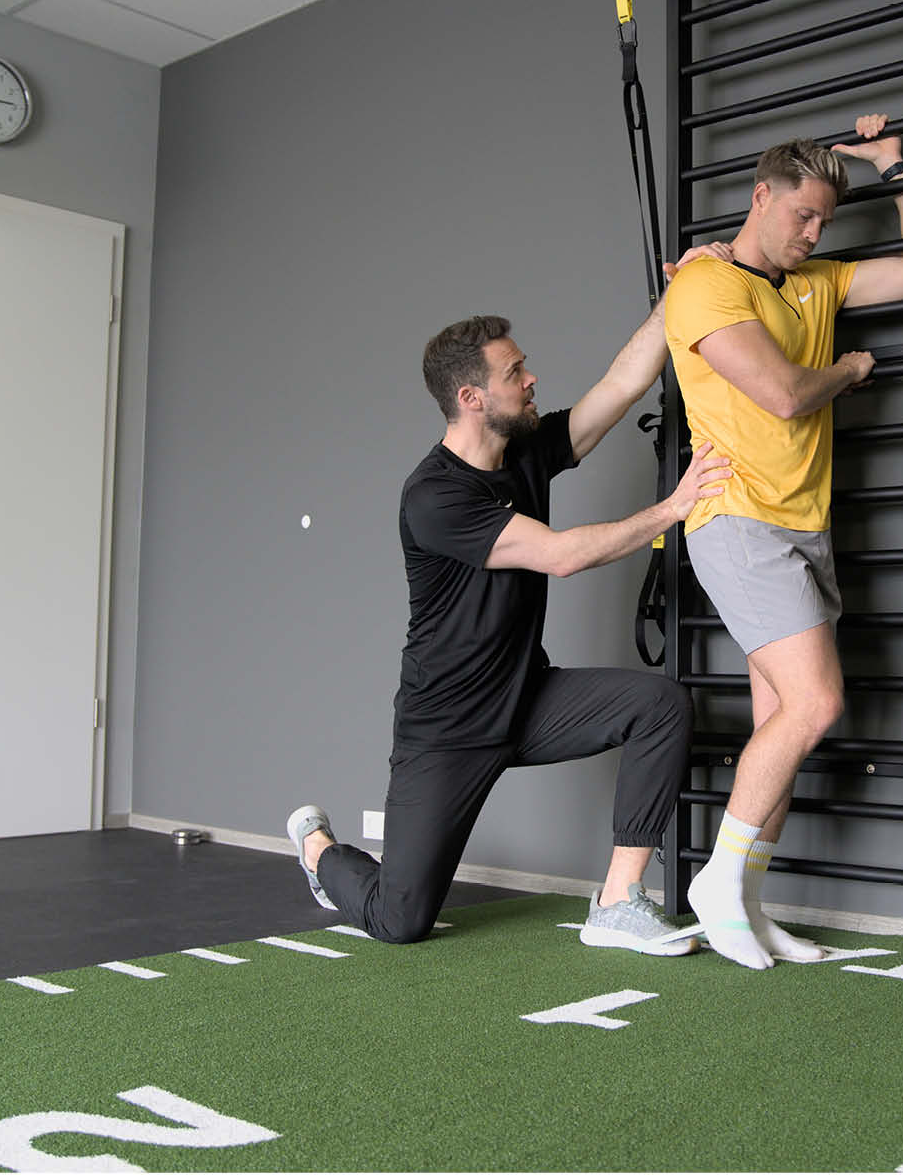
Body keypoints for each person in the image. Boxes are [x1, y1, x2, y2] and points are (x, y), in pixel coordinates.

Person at [285, 251, 733, 954]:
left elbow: (621, 384)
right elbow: (561, 555)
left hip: (527, 700)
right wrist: (671, 509)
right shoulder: (434, 495)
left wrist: (675, 299)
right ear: (471, 398)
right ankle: (318, 851)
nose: (531, 379)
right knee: (401, 921)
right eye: (514, 372)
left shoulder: (526, 449)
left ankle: (619, 903)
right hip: (449, 728)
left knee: (661, 705)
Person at [662, 113, 903, 969]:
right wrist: (852, 369)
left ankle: (746, 905)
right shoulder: (705, 286)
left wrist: (894, 165)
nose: (814, 234)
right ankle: (717, 882)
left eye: (825, 221)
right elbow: (787, 396)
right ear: (762, 196)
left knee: (780, 724)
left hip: (802, 526)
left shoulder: (815, 284)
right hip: (738, 520)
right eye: (803, 216)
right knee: (817, 705)